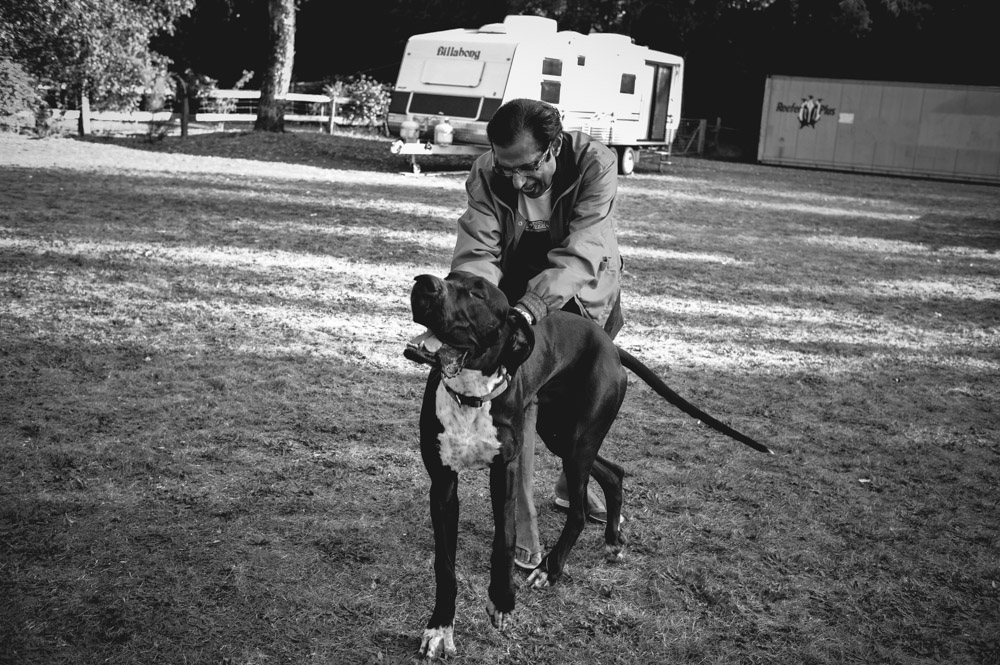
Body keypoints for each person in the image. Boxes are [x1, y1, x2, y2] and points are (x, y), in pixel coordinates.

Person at [448, 98, 625, 570]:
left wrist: (535, 306)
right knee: (518, 409)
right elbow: (477, 247)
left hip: (583, 294)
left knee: (582, 406)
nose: (518, 181)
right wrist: (480, 306)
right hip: (514, 297)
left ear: (555, 146)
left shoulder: (596, 164)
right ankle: (522, 531)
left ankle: (575, 485)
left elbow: (583, 248)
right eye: (508, 169)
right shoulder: (488, 172)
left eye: (528, 168)